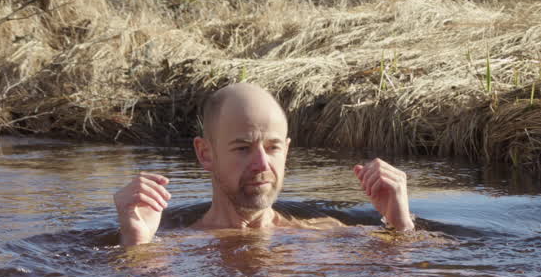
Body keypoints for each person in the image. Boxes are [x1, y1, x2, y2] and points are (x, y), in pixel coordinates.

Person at [114, 82, 413, 246]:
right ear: (206, 154)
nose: (261, 164)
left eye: (273, 147)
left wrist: (399, 222)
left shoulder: (324, 234)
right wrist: (135, 243)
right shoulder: (175, 247)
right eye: (243, 148)